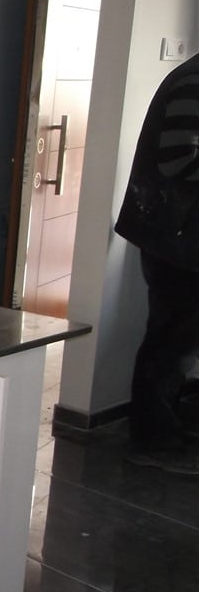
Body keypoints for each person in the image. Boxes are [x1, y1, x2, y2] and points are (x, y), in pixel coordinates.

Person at [114, 52, 199, 475]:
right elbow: (178, 158)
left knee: (177, 339)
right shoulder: (193, 81)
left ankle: (164, 430)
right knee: (171, 342)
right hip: (175, 238)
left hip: (176, 234)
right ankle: (153, 442)